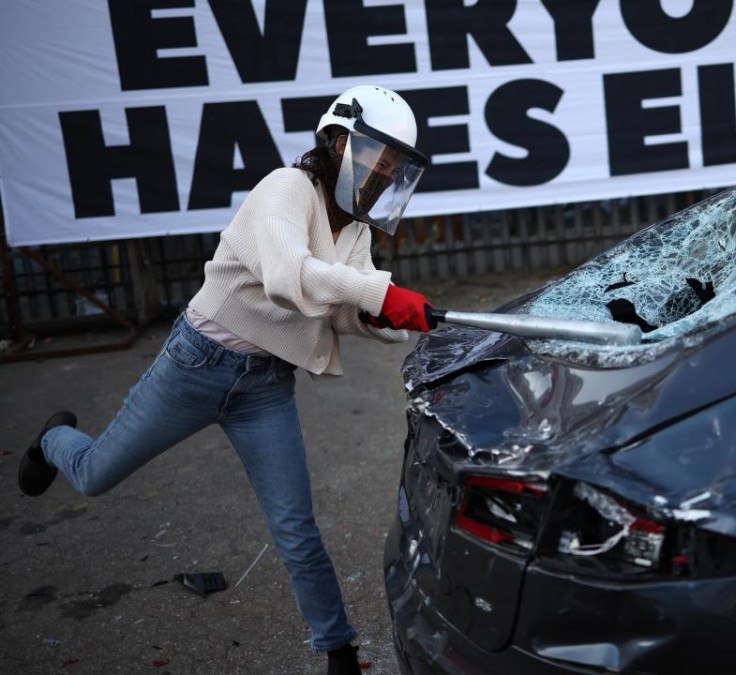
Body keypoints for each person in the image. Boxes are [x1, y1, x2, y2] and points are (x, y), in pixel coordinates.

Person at [17, 84, 432, 675]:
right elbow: (289, 276)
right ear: (340, 142)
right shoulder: (285, 188)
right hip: (197, 365)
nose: (384, 173)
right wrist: (378, 293)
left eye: (393, 166)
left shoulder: (358, 232)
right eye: (377, 157)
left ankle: (338, 652)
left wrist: (389, 320)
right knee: (93, 476)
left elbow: (340, 309)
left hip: (265, 388)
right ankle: (53, 440)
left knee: (296, 530)